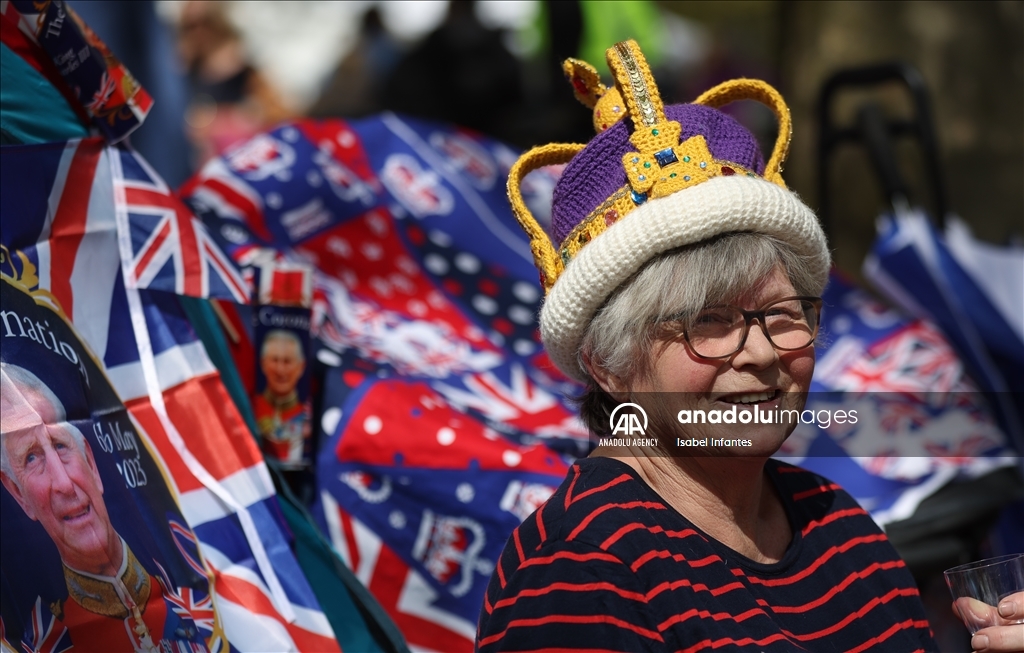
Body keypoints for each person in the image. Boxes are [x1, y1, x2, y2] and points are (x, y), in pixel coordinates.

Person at [479, 40, 952, 651]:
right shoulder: (579, 570)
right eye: (708, 321)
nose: (759, 353)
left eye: (784, 313)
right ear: (609, 366)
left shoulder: (840, 529)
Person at [0, 363, 209, 653]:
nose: (64, 483)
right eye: (32, 458)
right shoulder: (43, 639)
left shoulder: (187, 552)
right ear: (18, 495)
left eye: (60, 444)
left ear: (91, 461)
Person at [253, 329, 310, 466]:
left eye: (287, 361)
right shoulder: (248, 407)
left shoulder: (308, 416)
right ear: (263, 363)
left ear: (301, 366)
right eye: (275, 360)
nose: (280, 370)